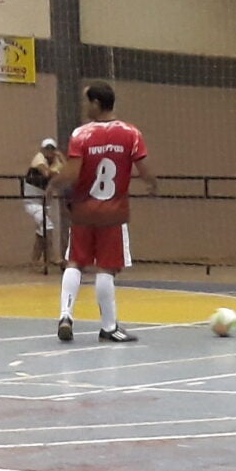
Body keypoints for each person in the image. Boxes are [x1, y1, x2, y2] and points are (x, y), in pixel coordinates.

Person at [55, 81, 153, 343]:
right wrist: (151, 183)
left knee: (75, 261)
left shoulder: (81, 135)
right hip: (113, 212)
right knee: (106, 268)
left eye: (87, 101)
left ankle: (66, 315)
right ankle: (109, 327)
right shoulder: (131, 134)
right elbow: (144, 171)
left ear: (97, 104)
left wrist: (55, 184)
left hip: (84, 210)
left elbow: (72, 173)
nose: (84, 106)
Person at [22, 137, 59, 274]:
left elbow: (67, 171)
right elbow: (47, 173)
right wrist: (59, 172)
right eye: (47, 148)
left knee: (40, 233)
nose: (49, 151)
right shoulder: (39, 158)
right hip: (33, 203)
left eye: (52, 149)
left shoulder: (56, 161)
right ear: (42, 150)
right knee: (48, 227)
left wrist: (60, 159)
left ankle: (34, 262)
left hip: (45, 203)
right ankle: (54, 257)